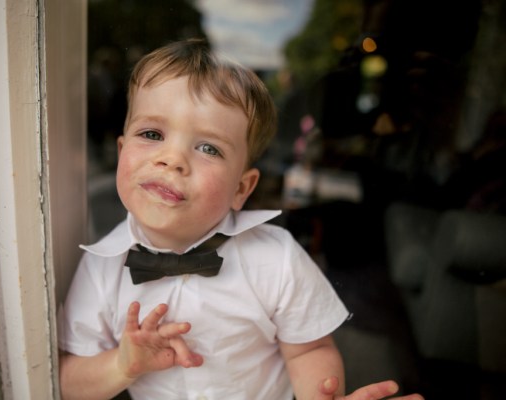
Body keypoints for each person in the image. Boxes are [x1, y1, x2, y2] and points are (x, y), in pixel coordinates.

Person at [58, 38, 423, 400]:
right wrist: (122, 366)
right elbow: (68, 382)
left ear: (241, 189)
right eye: (152, 134)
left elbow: (309, 349)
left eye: (208, 148)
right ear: (122, 151)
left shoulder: (275, 258)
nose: (172, 159)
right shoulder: (101, 267)